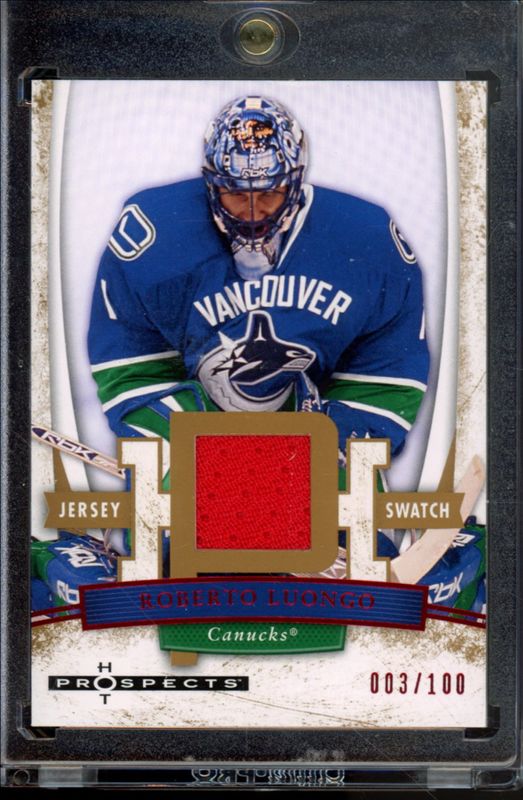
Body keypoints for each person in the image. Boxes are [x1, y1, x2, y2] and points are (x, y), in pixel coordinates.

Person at [87, 96, 430, 461]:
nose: (253, 212)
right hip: (198, 424)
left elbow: (388, 370)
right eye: (236, 193)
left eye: (269, 193)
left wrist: (331, 440)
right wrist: (192, 443)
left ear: (294, 181)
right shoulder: (153, 235)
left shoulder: (367, 239)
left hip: (313, 428)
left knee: (342, 485)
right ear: (212, 184)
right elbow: (132, 367)